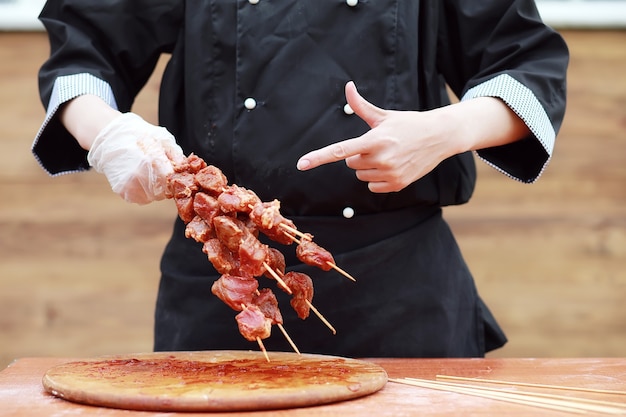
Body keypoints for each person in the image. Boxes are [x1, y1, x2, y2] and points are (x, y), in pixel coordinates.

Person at [32, 0, 568, 358]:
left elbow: (524, 64)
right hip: (223, 290)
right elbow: (85, 47)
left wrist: (446, 129)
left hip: (399, 294)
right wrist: (106, 133)